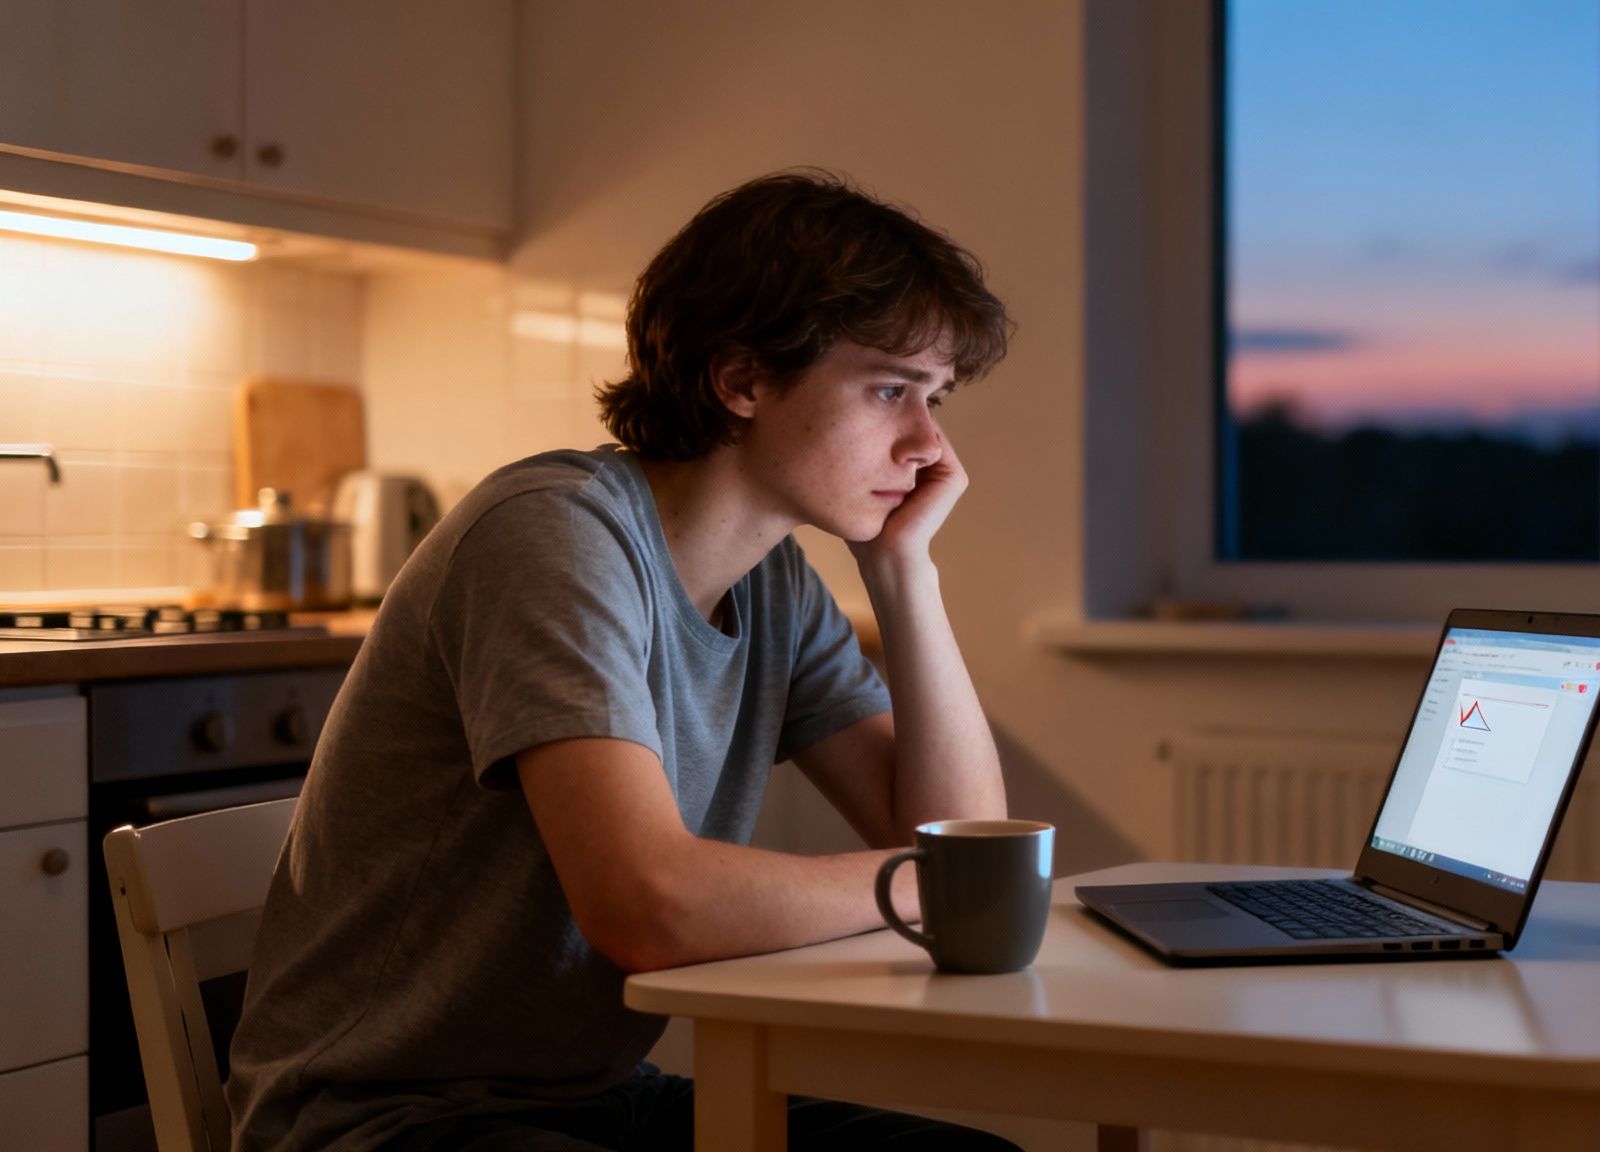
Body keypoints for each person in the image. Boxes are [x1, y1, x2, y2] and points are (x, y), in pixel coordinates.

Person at [225, 171, 1021, 1151]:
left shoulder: (772, 582)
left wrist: (906, 573)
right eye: (890, 390)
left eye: (934, 398)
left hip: (588, 1100)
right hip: (382, 1118)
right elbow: (649, 908)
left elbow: (964, 843)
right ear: (742, 381)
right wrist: (921, 887)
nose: (928, 446)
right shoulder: (551, 535)